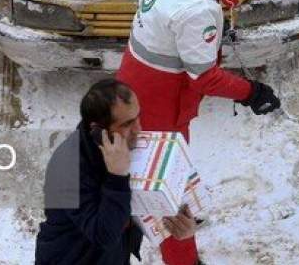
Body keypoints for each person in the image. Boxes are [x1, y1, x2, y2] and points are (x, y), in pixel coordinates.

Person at [116, 0, 281, 265]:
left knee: (151, 175)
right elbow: (204, 78)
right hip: (160, 103)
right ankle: (182, 259)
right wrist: (251, 92)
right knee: (168, 193)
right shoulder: (198, 9)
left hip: (132, 79)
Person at [36, 79, 196, 265]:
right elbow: (103, 234)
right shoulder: (67, 167)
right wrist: (117, 177)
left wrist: (182, 225)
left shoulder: (125, 145)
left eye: (138, 117)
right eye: (128, 124)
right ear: (97, 130)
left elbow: (141, 201)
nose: (139, 129)